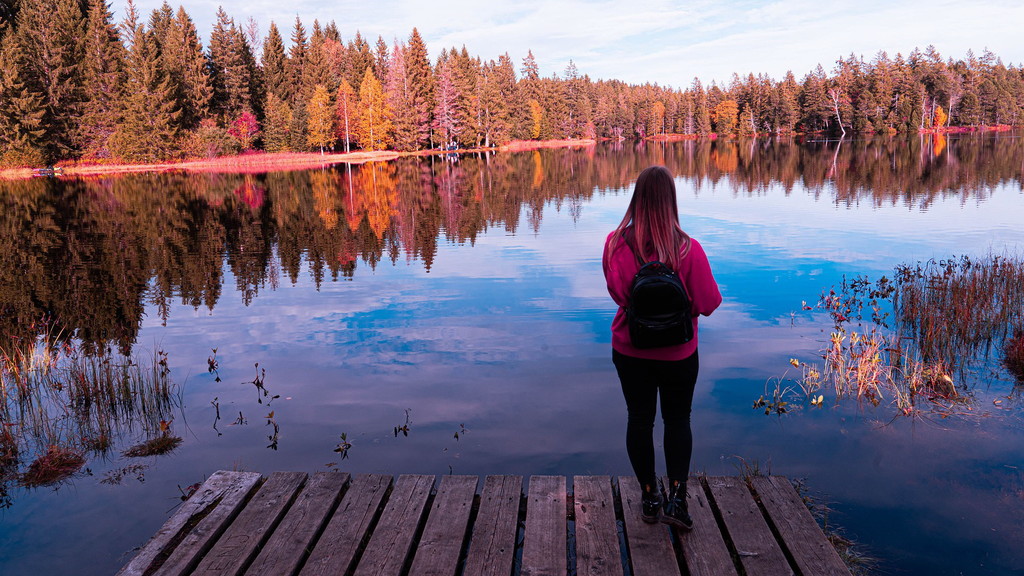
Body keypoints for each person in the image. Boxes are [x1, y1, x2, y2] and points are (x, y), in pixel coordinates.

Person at [602, 165, 722, 529]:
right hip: (679, 354)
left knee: (639, 419)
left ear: (637, 198)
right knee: (678, 419)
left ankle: (650, 496)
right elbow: (708, 303)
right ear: (671, 200)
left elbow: (618, 295)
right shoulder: (689, 249)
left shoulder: (614, 244)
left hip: (630, 349)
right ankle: (678, 500)